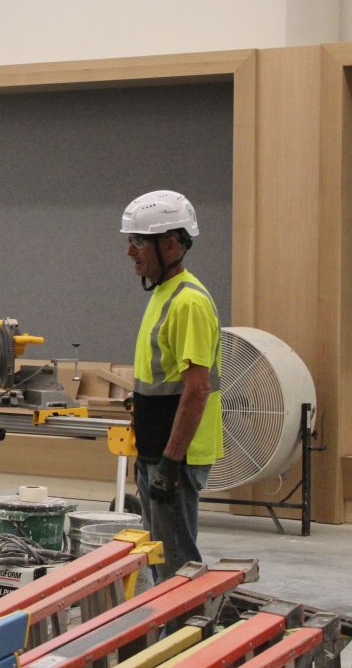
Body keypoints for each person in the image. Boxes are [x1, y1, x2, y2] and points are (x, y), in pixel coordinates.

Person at [121, 190, 224, 581]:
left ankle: (188, 637)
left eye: (138, 241)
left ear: (170, 244)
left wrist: (169, 462)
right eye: (129, 241)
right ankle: (177, 633)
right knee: (163, 564)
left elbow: (197, 389)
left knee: (178, 568)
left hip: (175, 459)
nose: (130, 252)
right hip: (158, 452)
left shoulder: (189, 303)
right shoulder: (164, 294)